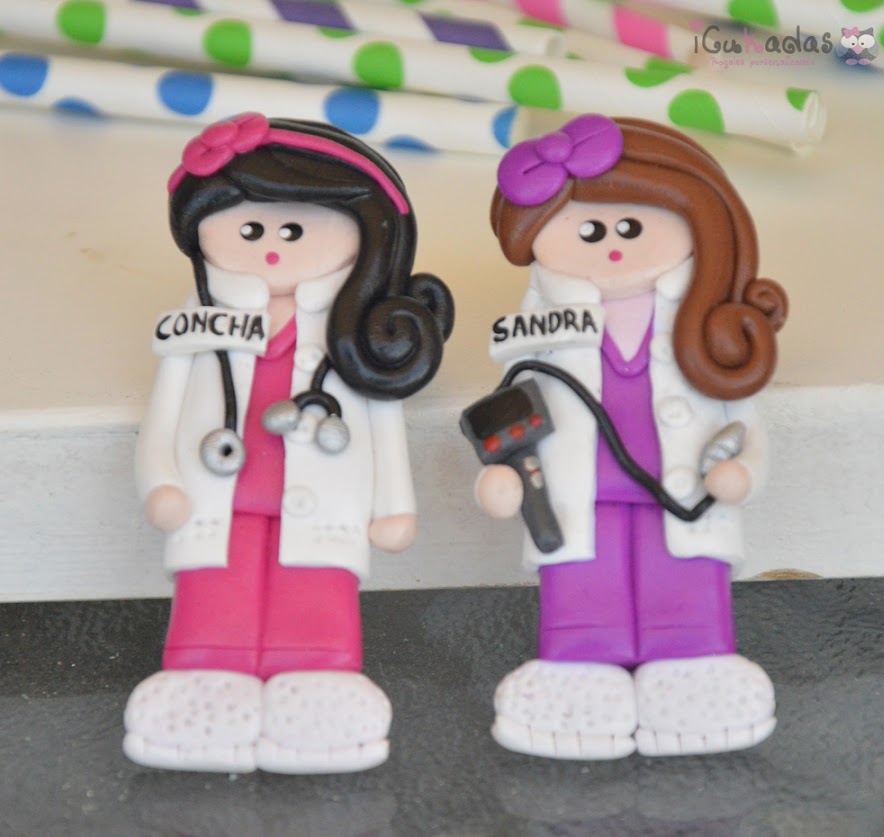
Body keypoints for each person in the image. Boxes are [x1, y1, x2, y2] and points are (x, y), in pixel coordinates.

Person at [126, 113, 453, 773]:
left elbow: (382, 422)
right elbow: (162, 417)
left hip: (324, 500)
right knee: (214, 592)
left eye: (295, 229)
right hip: (218, 498)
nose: (272, 245)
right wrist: (159, 481)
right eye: (250, 229)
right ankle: (203, 693)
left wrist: (393, 504)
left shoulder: (359, 330)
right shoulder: (198, 323)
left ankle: (319, 693)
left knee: (316, 593)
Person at [476, 114, 788, 759]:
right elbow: (517, 401)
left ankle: (694, 675)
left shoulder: (710, 324)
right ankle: (577, 682)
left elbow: (744, 419)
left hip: (682, 489)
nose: (612, 245)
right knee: (581, 587)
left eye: (632, 226)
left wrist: (744, 471)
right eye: (588, 231)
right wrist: (501, 470)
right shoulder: (540, 329)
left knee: (684, 581)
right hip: (578, 495)